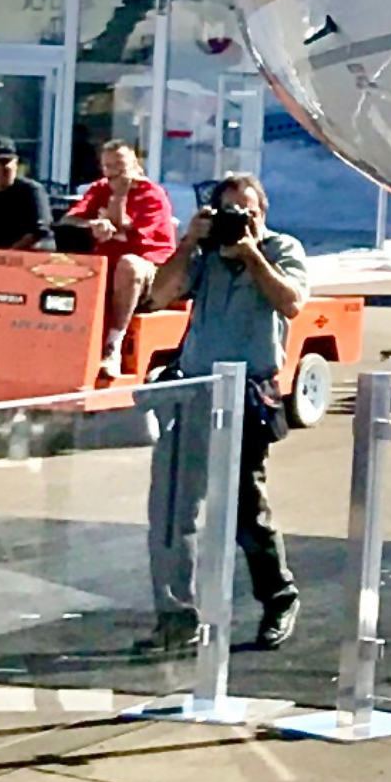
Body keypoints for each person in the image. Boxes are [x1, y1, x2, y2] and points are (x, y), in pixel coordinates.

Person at [135, 173, 308, 654]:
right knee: (172, 510)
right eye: (230, 210)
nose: (240, 219)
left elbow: (292, 303)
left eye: (248, 210)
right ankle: (176, 617)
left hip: (247, 394)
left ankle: (278, 597)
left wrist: (251, 254)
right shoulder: (204, 253)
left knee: (244, 510)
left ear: (264, 212)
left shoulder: (281, 249)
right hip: (193, 393)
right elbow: (160, 295)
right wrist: (190, 240)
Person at [63, 140, 176, 376]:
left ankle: (113, 346)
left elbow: (127, 231)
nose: (114, 172)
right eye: (108, 166)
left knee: (129, 265)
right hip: (105, 265)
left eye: (120, 165)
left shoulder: (152, 195)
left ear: (135, 164)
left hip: (151, 270)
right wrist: (92, 224)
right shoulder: (99, 189)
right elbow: (69, 220)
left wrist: (118, 199)